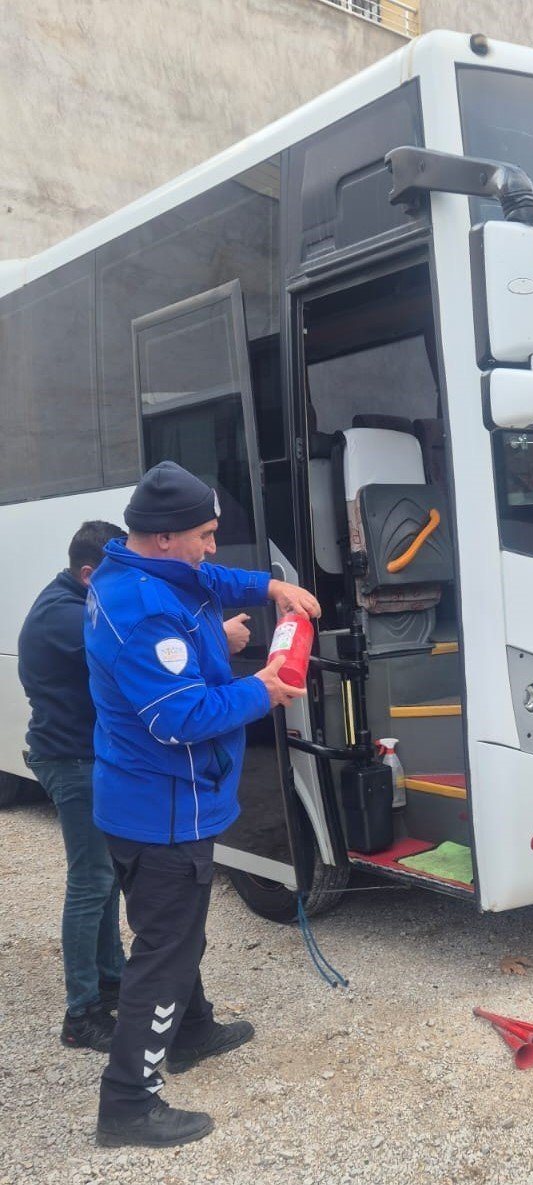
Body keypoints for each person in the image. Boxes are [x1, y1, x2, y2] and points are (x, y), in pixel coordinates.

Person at [84, 461, 319, 1149]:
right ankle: (128, 1101)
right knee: (164, 948)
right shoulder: (139, 609)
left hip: (157, 804)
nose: (213, 548)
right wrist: (265, 688)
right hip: (161, 811)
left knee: (179, 932)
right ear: (163, 537)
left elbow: (211, 581)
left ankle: (191, 1029)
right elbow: (179, 717)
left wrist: (272, 585)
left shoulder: (147, 570)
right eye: (207, 534)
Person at [18, 521, 127, 1053]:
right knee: (91, 881)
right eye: (116, 575)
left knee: (103, 877)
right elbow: (128, 654)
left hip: (87, 755)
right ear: (89, 574)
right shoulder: (63, 616)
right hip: (71, 759)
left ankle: (111, 979)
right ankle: (80, 1014)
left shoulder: (75, 598)